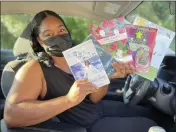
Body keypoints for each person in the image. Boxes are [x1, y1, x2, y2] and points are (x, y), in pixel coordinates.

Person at [4, 10, 156, 132]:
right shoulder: (33, 68)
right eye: (48, 35)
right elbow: (12, 115)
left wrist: (107, 77)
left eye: (61, 30)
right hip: (86, 125)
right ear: (39, 41)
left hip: (98, 109)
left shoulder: (81, 54)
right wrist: (69, 100)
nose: (57, 36)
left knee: (149, 114)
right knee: (149, 126)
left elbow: (94, 98)